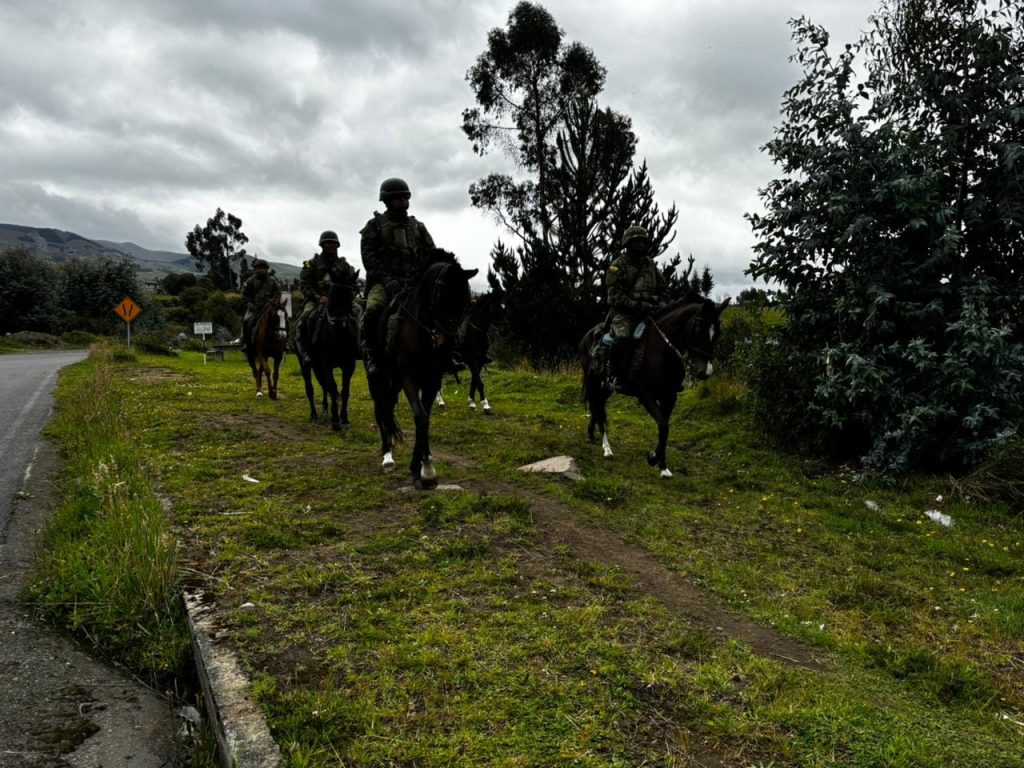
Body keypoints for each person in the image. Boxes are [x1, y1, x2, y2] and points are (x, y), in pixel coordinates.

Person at [359, 177, 437, 376]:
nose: (403, 202)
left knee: (440, 308)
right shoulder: (374, 226)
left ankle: (450, 353)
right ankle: (372, 353)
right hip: (384, 284)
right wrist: (386, 280)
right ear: (387, 201)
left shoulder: (418, 227)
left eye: (405, 198)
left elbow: (431, 253)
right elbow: (369, 259)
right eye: (398, 198)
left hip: (414, 283)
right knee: (373, 310)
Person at [603, 225, 664, 390]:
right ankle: (614, 375)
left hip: (649, 311)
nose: (640, 246)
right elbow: (614, 295)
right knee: (622, 337)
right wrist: (637, 305)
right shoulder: (618, 266)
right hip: (625, 313)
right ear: (628, 244)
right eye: (636, 242)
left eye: (643, 242)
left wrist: (661, 303)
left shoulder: (650, 265)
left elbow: (663, 288)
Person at [294, 230, 358, 365]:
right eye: (328, 243)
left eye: (334, 243)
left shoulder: (344, 265)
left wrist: (349, 296)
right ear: (322, 245)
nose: (331, 245)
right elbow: (304, 284)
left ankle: (360, 347)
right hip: (317, 301)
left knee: (359, 311)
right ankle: (306, 351)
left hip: (340, 301)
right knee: (304, 318)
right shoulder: (311, 264)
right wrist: (318, 298)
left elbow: (353, 283)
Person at [240, 258, 284, 353]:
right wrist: (249, 304)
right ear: (255, 269)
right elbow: (244, 295)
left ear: (267, 269)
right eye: (260, 268)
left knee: (283, 319)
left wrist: (274, 301)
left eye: (264, 268)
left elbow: (278, 292)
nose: (262, 270)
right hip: (254, 308)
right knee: (245, 321)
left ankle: (285, 342)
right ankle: (246, 342)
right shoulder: (250, 281)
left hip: (270, 308)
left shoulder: (273, 281)